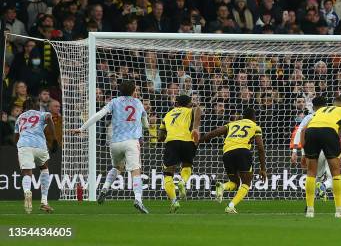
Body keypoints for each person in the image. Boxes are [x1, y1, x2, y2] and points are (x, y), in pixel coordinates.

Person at [71, 80, 149, 214]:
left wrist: (82, 128)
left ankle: (105, 188)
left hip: (115, 143)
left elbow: (99, 115)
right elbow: (146, 125)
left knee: (118, 167)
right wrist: (141, 128)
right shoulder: (138, 103)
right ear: (133, 91)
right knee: (136, 171)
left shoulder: (115, 101)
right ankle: (138, 200)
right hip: (131, 142)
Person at [204, 108, 266, 214]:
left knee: (235, 183)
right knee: (246, 183)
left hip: (227, 153)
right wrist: (263, 168)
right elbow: (260, 148)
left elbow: (215, 132)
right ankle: (230, 206)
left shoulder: (232, 124)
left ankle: (222, 186)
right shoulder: (255, 127)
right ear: (254, 117)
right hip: (242, 152)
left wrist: (201, 140)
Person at [301, 95, 341, 218]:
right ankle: (339, 210)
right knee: (335, 172)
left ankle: (310, 210)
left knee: (311, 173)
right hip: (328, 132)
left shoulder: (321, 111)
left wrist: (304, 152)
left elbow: (303, 129)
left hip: (311, 132)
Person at [158, 94, 201, 212]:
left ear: (177, 104)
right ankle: (183, 181)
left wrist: (164, 136)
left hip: (171, 142)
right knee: (187, 165)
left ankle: (174, 201)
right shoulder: (191, 110)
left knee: (168, 174)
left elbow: (160, 136)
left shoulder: (167, 115)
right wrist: (196, 128)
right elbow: (198, 110)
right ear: (189, 103)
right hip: (188, 141)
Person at [14, 98, 58, 214]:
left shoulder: (19, 118)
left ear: (24, 108)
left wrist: (19, 147)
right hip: (39, 145)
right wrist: (54, 138)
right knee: (44, 168)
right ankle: (44, 202)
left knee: (27, 172)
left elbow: (16, 136)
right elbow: (49, 118)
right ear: (37, 107)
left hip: (24, 144)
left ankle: (27, 191)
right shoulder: (42, 113)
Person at [290, 96, 333, 200]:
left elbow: (299, 132)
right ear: (326, 106)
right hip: (330, 148)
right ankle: (325, 187)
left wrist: (295, 151)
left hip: (312, 149)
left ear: (313, 107)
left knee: (313, 176)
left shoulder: (309, 117)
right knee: (333, 177)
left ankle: (310, 203)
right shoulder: (331, 117)